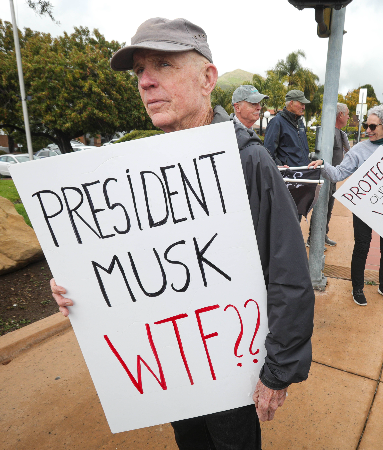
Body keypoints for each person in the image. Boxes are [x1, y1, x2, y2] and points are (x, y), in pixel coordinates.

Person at [50, 17, 314, 449]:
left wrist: (278, 369)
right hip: (173, 370)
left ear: (208, 78)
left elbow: (288, 273)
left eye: (163, 65)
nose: (146, 82)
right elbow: (133, 264)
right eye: (139, 71)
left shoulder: (250, 163)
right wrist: (76, 285)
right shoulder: (138, 170)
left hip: (231, 370)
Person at [309, 103, 383, 306]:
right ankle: (357, 288)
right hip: (364, 207)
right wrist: (322, 164)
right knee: (362, 246)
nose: (367, 130)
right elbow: (339, 173)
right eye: (367, 125)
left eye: (373, 126)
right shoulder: (359, 149)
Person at [309, 102, 350, 247]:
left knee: (329, 207)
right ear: (340, 115)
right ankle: (313, 239)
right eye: (348, 114)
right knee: (321, 207)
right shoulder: (329, 133)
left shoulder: (341, 133)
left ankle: (323, 234)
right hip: (325, 177)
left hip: (333, 177)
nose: (349, 118)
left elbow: (347, 152)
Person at [264, 90, 311, 167]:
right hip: (288, 175)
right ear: (291, 103)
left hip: (304, 173)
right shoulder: (276, 122)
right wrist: (279, 167)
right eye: (301, 104)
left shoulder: (300, 123)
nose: (304, 107)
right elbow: (269, 151)